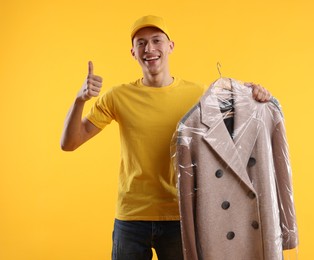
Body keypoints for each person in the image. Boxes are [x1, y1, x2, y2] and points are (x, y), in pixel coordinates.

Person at [61, 15, 272, 260]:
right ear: (133, 52)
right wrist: (79, 100)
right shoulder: (117, 97)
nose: (149, 49)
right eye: (141, 43)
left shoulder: (198, 95)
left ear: (170, 46)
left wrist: (255, 93)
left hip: (181, 216)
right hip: (131, 217)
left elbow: (240, 121)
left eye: (156, 40)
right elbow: (69, 143)